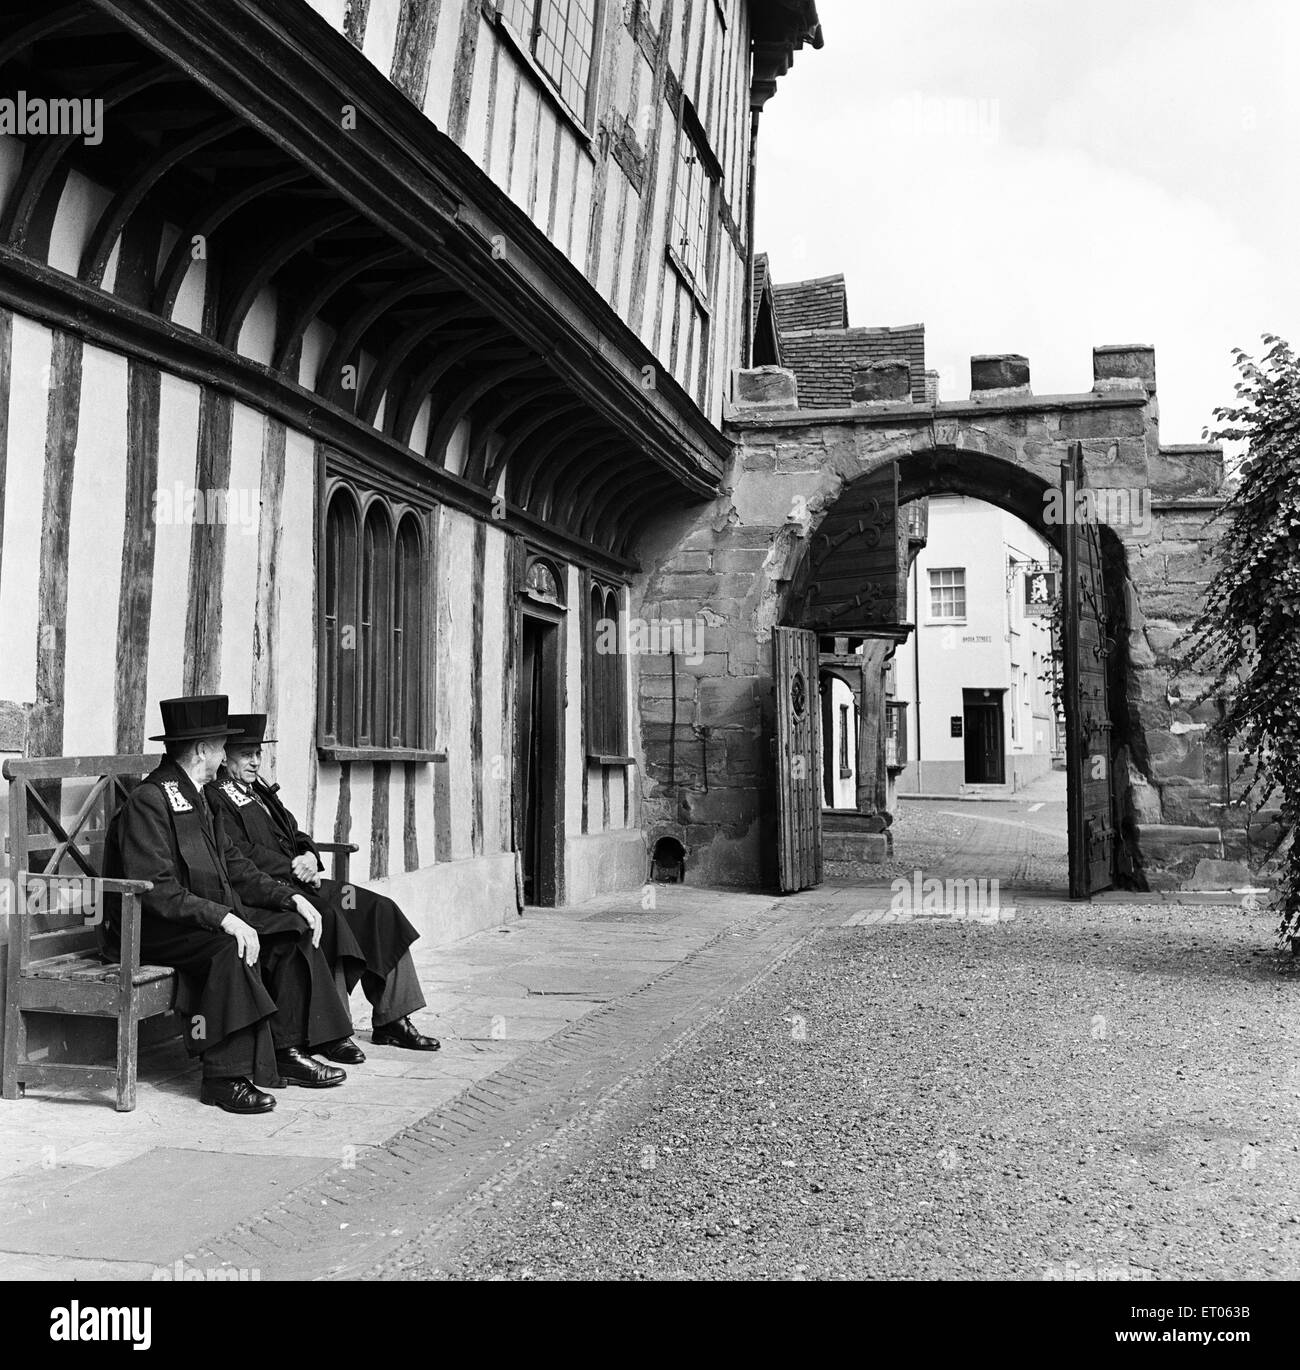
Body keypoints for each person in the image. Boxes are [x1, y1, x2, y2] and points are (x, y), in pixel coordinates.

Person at [103, 695, 354, 1114]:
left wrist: (288, 896)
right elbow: (157, 890)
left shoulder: (197, 795)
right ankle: (224, 1076)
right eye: (222, 746)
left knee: (290, 931)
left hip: (198, 917)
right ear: (202, 749)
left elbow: (236, 868)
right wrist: (224, 919)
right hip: (152, 929)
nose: (224, 757)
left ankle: (286, 1051)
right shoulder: (152, 799)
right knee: (229, 948)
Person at [206, 713, 439, 1057]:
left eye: (258, 753)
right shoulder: (217, 797)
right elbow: (238, 853)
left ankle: (393, 1019)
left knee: (378, 909)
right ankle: (333, 1031)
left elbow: (295, 832)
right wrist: (292, 865)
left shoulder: (260, 791)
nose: (255, 761)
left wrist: (310, 856)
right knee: (329, 918)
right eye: (246, 755)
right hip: (272, 892)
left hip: (304, 881)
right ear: (225, 757)